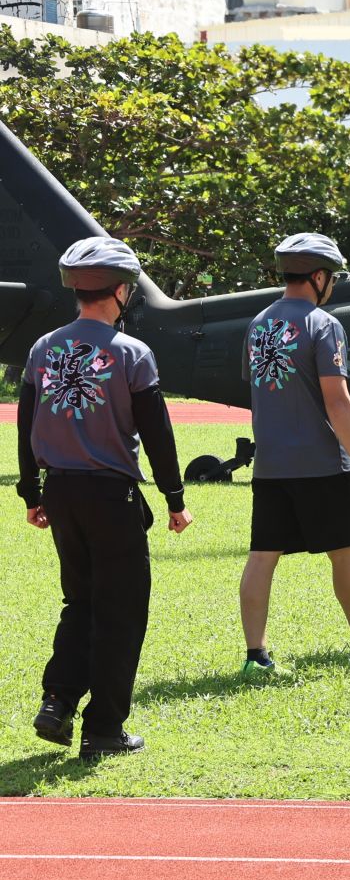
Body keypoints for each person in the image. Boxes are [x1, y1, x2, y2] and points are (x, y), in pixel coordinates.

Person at [17, 238, 192, 759]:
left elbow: (26, 426)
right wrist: (174, 498)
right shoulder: (131, 353)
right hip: (112, 497)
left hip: (62, 493)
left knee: (81, 600)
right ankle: (104, 730)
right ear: (120, 291)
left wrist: (31, 493)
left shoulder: (43, 348)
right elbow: (156, 433)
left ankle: (57, 701)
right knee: (121, 611)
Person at [239, 233, 350, 679]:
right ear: (318, 277)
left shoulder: (258, 324)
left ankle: (255, 657)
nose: (333, 285)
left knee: (263, 556)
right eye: (332, 278)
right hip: (320, 462)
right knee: (347, 553)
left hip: (271, 464)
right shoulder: (323, 324)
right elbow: (336, 399)